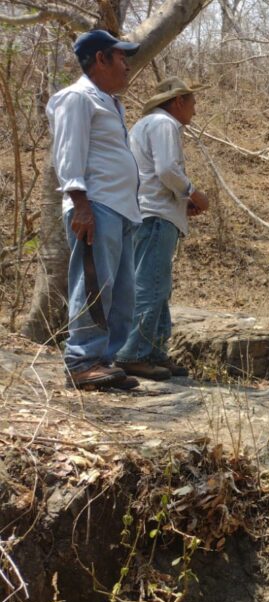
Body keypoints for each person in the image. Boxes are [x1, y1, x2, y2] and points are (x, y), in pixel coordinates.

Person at [47, 30, 142, 390]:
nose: (127, 65)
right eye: (121, 57)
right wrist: (81, 205)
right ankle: (81, 360)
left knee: (120, 293)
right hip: (95, 206)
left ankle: (104, 362)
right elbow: (68, 154)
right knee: (93, 286)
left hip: (121, 210)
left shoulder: (111, 102)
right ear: (100, 59)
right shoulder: (77, 98)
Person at [113, 77, 210, 381]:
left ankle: (153, 351)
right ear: (177, 101)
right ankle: (133, 353)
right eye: (192, 103)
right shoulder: (164, 124)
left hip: (151, 212)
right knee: (150, 284)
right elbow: (167, 170)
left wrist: (183, 201)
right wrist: (193, 194)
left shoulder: (146, 125)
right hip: (155, 215)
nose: (195, 110)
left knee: (157, 284)